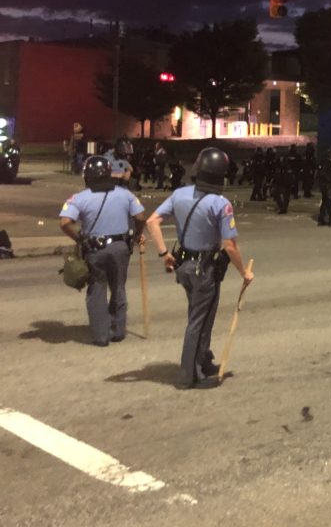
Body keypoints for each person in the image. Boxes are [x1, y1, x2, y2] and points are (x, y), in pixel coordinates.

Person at [145, 148, 253, 388]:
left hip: (184, 265)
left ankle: (203, 360)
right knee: (199, 321)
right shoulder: (221, 204)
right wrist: (244, 272)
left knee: (200, 315)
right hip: (204, 269)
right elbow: (230, 246)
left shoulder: (180, 194)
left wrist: (164, 253)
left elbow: (152, 222)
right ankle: (190, 375)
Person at [58, 155, 147, 346]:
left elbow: (65, 222)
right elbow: (140, 217)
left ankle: (101, 334)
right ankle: (118, 329)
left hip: (94, 248)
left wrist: (79, 238)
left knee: (97, 288)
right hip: (120, 247)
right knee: (118, 286)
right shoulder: (126, 195)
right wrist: (137, 235)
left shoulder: (80, 198)